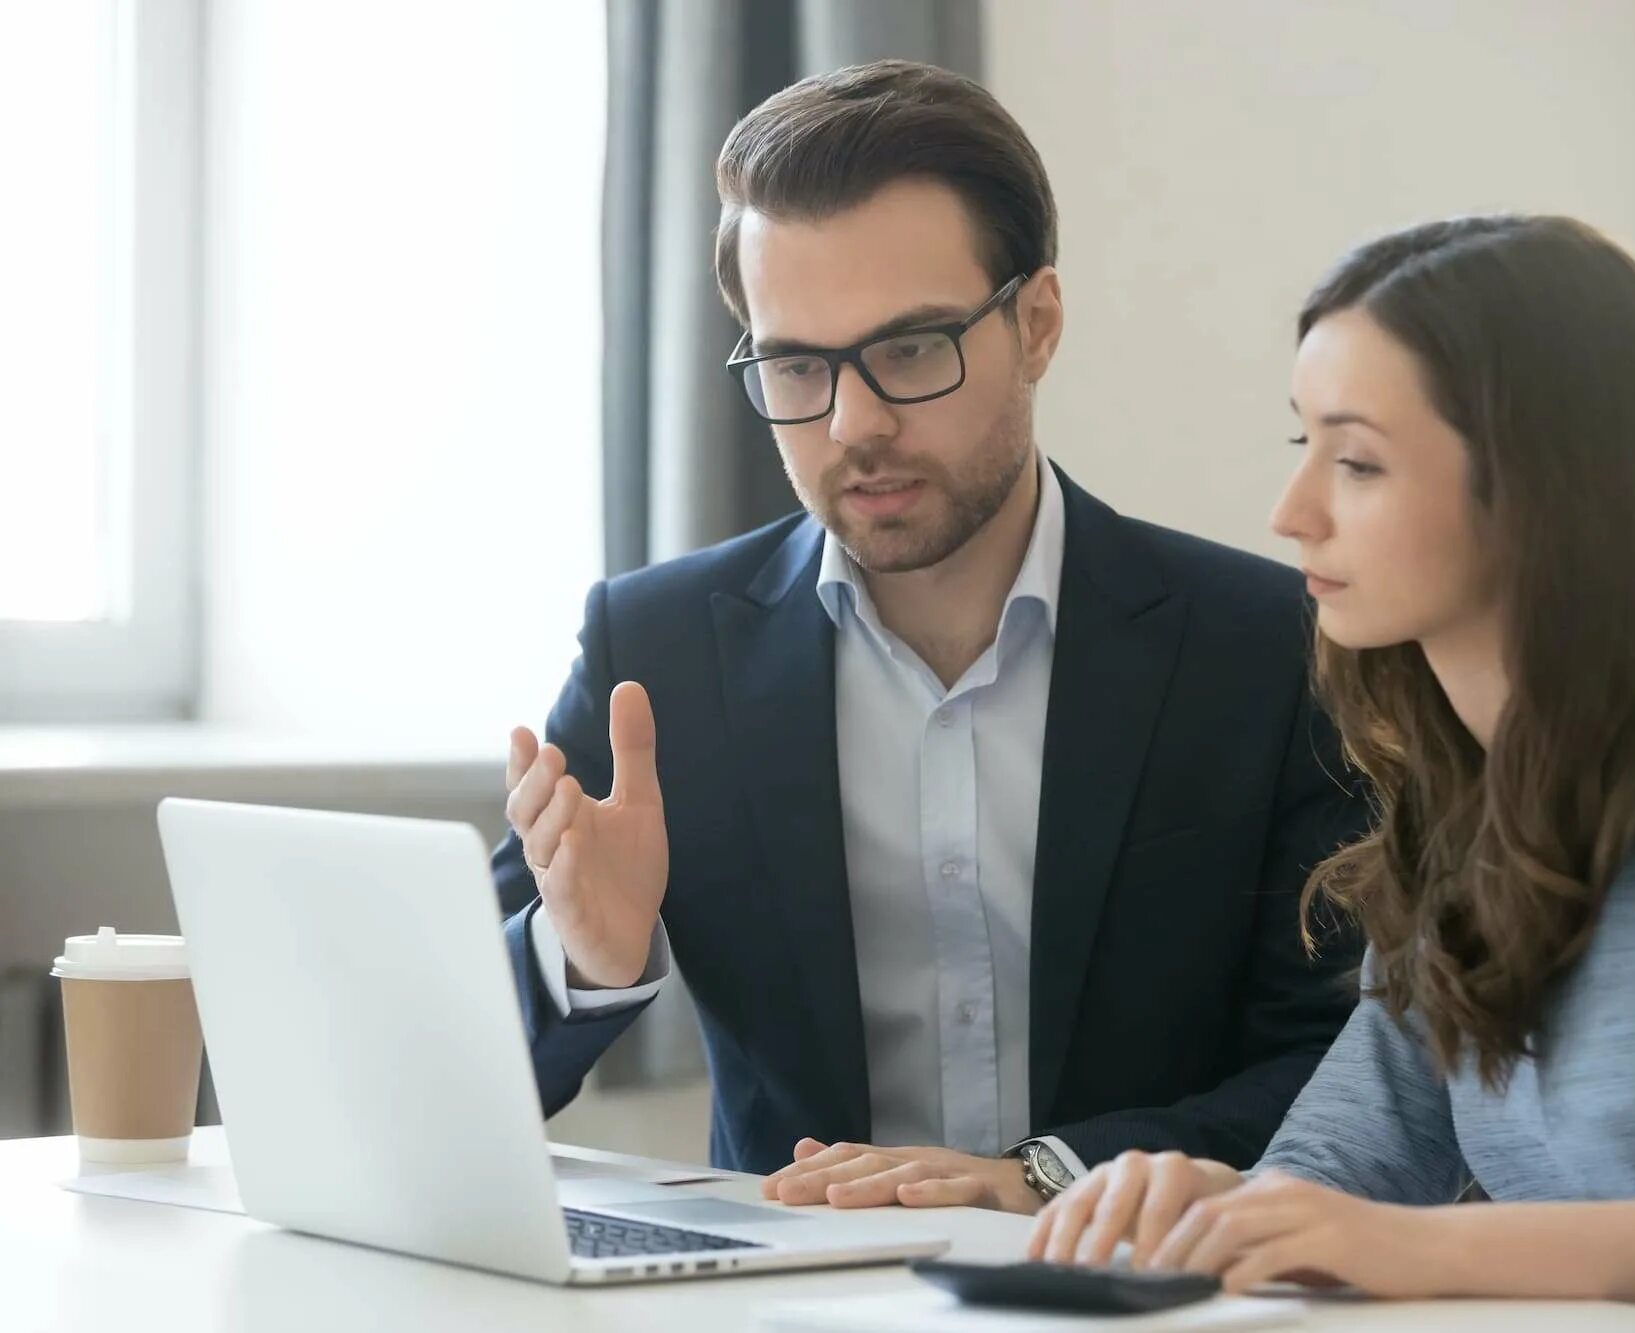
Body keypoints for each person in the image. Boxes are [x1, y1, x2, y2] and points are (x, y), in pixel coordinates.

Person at [1028, 214, 1635, 1331]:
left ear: (1535, 488)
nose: (1289, 514)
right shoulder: (1461, 805)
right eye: (1302, 447)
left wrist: (1421, 1247)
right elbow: (1344, 1175)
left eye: (1355, 461)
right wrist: (1218, 1210)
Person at [489, 60, 1373, 1216]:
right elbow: (448, 1060)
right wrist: (584, 960)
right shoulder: (655, 655)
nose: (855, 424)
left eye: (910, 350)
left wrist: (1041, 1176)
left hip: (1137, 1285)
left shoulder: (1267, 649)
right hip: (789, 1300)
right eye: (797, 365)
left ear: (1037, 323)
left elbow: (1347, 1069)